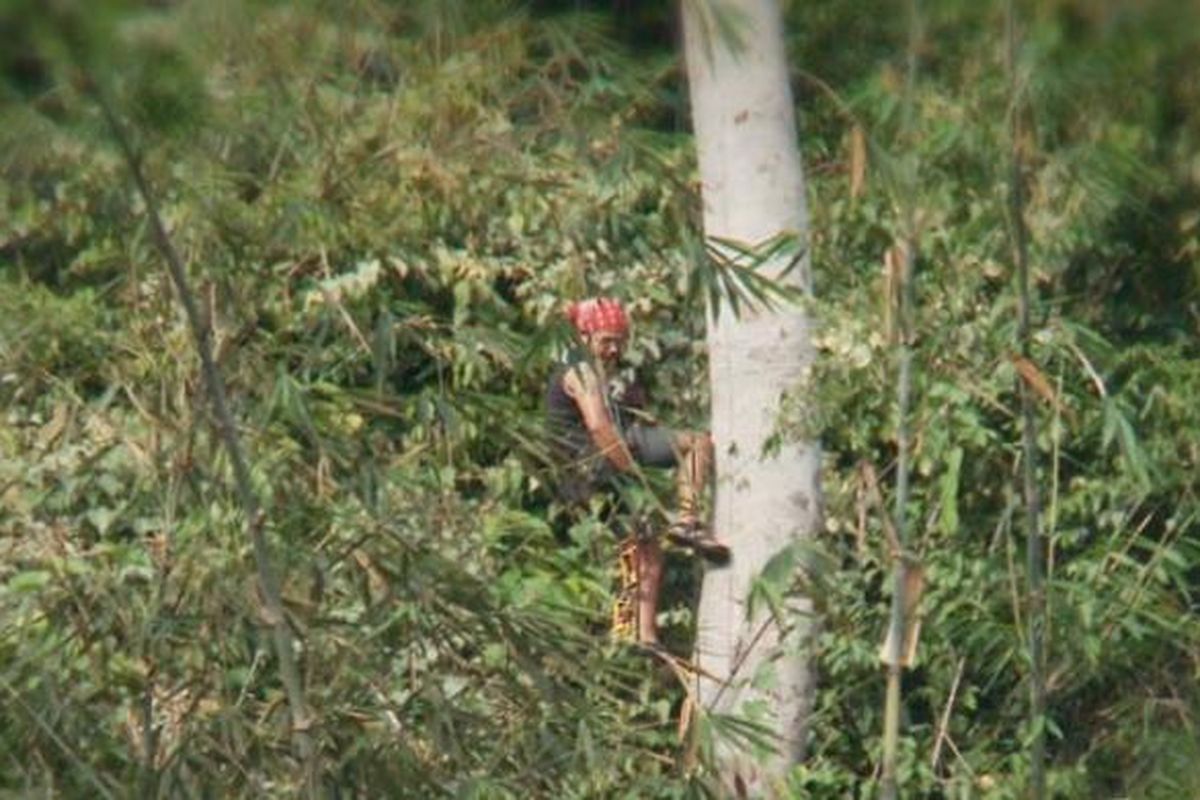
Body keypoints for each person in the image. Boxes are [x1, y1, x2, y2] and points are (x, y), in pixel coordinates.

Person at [545, 296, 728, 646]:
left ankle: (639, 635)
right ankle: (687, 521)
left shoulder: (595, 369)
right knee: (696, 444)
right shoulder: (580, 369)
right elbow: (598, 426)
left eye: (618, 340)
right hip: (595, 463)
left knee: (644, 546)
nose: (614, 349)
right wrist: (630, 469)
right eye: (606, 341)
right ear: (584, 336)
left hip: (592, 465)